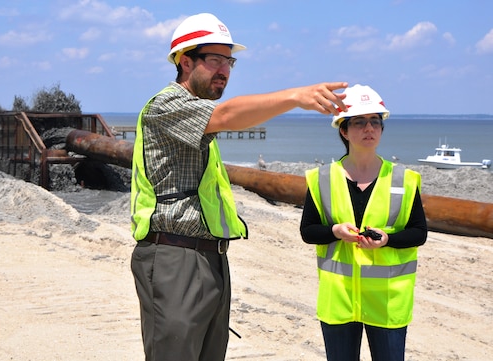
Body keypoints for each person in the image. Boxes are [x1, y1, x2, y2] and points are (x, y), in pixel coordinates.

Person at [130, 12, 348, 361]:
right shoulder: (166, 105)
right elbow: (228, 115)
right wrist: (295, 97)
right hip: (174, 257)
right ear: (186, 62)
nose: (225, 70)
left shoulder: (198, 119)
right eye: (214, 60)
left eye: (229, 61)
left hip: (209, 258)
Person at [299, 84, 428, 361]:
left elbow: (419, 232)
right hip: (340, 299)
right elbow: (308, 231)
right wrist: (335, 231)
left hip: (387, 301)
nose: (369, 128)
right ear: (343, 130)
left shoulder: (404, 179)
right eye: (359, 122)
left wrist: (388, 240)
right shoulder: (322, 178)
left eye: (375, 122)